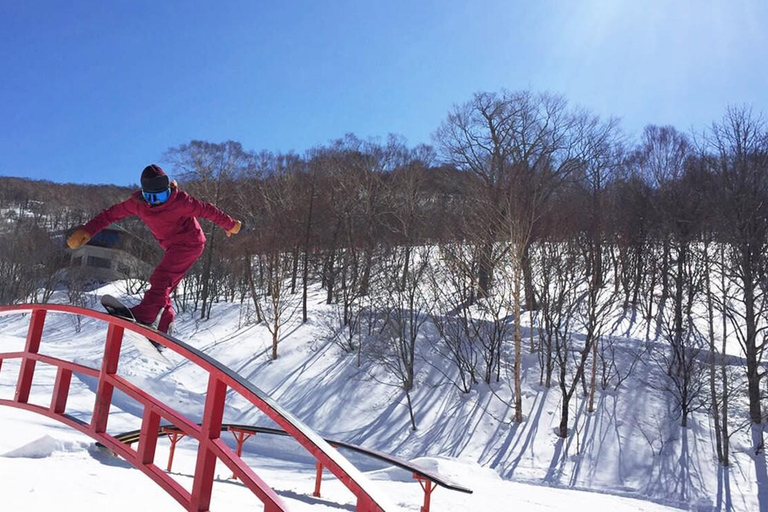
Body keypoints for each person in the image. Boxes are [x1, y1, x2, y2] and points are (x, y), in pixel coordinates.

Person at [67, 164, 242, 334]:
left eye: (163, 195)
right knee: (164, 287)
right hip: (172, 247)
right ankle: (164, 328)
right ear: (144, 195)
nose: (157, 202)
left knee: (160, 278)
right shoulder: (137, 204)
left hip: (190, 243)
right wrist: (88, 230)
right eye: (152, 198)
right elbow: (110, 214)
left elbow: (208, 210)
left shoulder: (181, 201)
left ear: (169, 189)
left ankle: (146, 315)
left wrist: (230, 225)